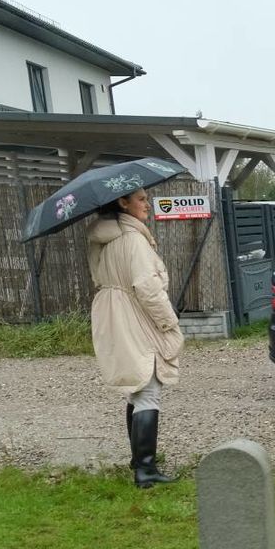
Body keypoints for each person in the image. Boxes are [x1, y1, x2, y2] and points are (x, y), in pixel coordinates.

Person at [86, 187, 184, 488]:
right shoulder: (132, 239)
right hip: (133, 312)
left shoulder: (101, 239)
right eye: (141, 199)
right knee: (148, 386)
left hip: (112, 313)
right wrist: (169, 322)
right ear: (122, 202)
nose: (147, 204)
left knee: (136, 385)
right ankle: (146, 470)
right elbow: (147, 287)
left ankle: (137, 460)